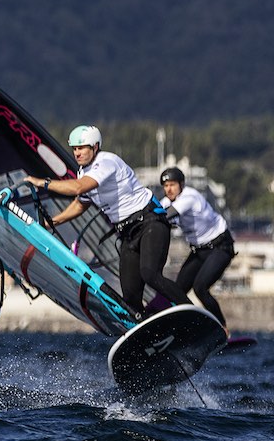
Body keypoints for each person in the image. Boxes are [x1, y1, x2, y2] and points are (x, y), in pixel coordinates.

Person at [25, 125, 190, 320]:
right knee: (130, 295)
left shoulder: (106, 162)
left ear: (95, 147)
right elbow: (80, 204)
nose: (77, 153)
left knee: (150, 274)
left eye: (82, 148)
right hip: (128, 234)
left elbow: (78, 188)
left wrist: (43, 182)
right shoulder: (83, 173)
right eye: (75, 149)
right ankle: (149, 334)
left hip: (150, 223)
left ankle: (193, 313)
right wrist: (53, 221)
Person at [160, 166, 234, 330]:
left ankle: (222, 328)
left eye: (172, 185)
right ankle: (182, 329)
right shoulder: (167, 201)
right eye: (165, 186)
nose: (169, 189)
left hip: (221, 246)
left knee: (200, 287)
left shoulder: (190, 197)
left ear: (181, 184)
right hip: (199, 251)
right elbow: (156, 212)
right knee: (177, 290)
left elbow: (166, 215)